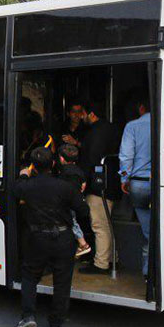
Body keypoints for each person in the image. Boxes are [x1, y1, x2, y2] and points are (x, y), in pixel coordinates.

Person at [13, 147, 92, 327]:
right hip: (63, 238)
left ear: (34, 167)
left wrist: (24, 175)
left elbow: (17, 189)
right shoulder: (65, 187)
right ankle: (56, 325)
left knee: (30, 276)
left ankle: (28, 316)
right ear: (54, 164)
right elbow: (83, 211)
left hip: (36, 238)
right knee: (62, 282)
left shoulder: (26, 186)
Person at [72, 101, 119, 275]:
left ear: (91, 114)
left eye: (83, 114)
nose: (81, 118)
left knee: (99, 225)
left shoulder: (95, 132)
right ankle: (111, 258)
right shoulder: (112, 129)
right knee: (107, 223)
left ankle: (100, 263)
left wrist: (82, 181)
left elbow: (91, 159)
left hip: (98, 185)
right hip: (112, 181)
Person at [119, 97, 152, 279]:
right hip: (162, 183)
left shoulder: (132, 126)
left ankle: (148, 272)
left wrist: (125, 178)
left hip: (138, 184)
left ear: (141, 107)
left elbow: (126, 155)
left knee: (147, 231)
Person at [57, 143, 92, 258]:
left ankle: (83, 244)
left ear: (61, 158)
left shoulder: (65, 172)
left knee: (71, 223)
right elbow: (83, 185)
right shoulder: (79, 170)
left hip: (67, 203)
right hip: (77, 201)